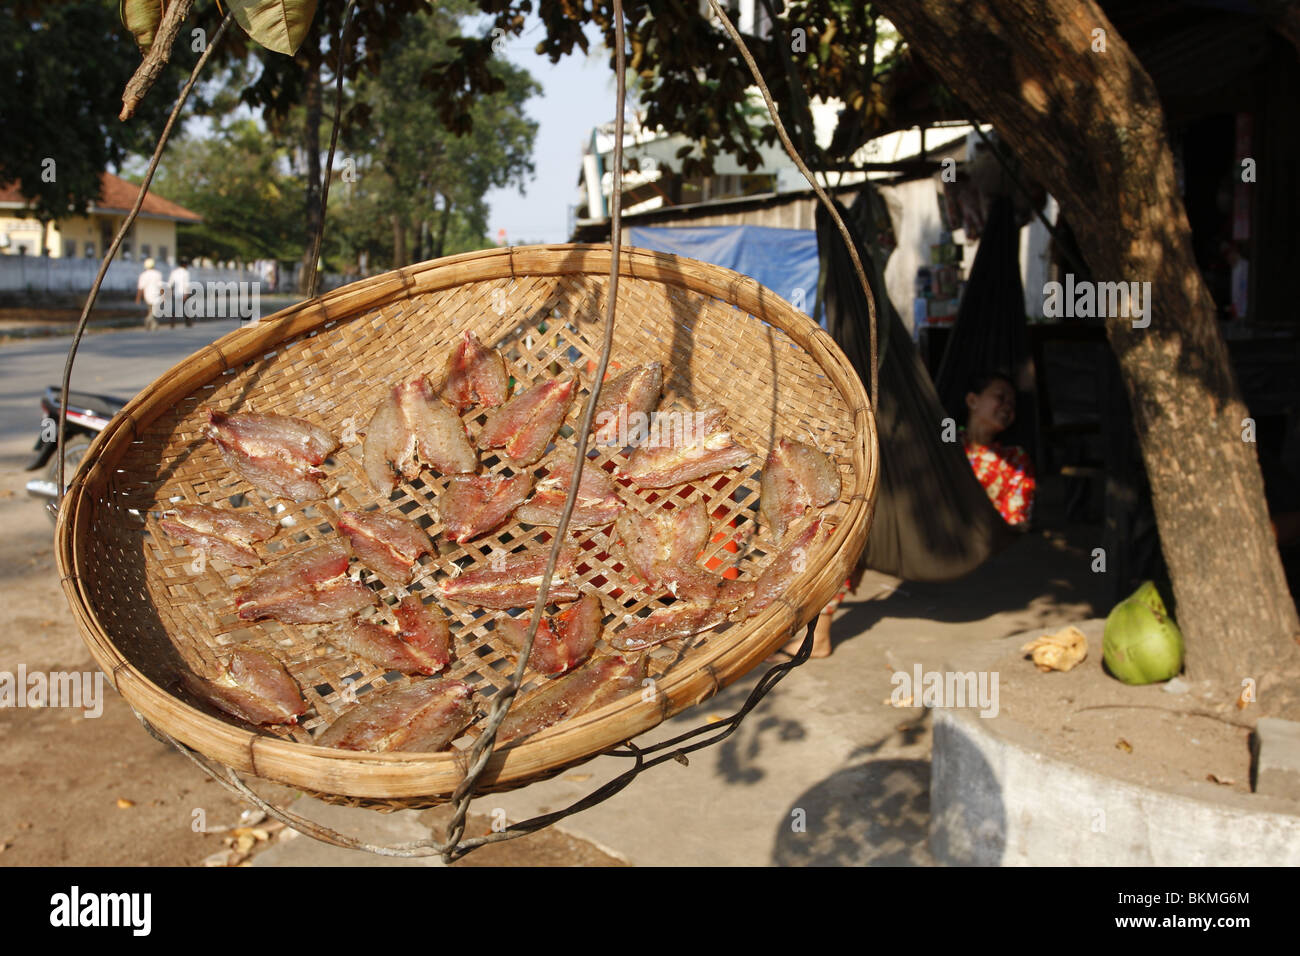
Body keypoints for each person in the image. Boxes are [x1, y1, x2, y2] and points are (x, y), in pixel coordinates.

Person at [961, 370, 1035, 527]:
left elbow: (1017, 519)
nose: (1007, 407)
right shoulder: (948, 443)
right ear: (972, 400)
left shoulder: (1014, 457)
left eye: (1012, 404)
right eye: (1000, 398)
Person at [135, 258, 164, 331]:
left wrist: (138, 299)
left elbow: (140, 288)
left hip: (147, 295)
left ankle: (150, 322)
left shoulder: (143, 275)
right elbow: (161, 286)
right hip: (156, 295)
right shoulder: (158, 274)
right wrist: (163, 296)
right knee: (154, 310)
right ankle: (150, 321)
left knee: (150, 310)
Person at [167, 258, 194, 328]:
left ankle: (172, 323)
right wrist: (186, 294)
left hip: (176, 293)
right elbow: (187, 284)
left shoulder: (174, 272)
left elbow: (170, 284)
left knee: (174, 309)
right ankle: (188, 323)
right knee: (186, 308)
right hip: (183, 293)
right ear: (185, 265)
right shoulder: (186, 272)